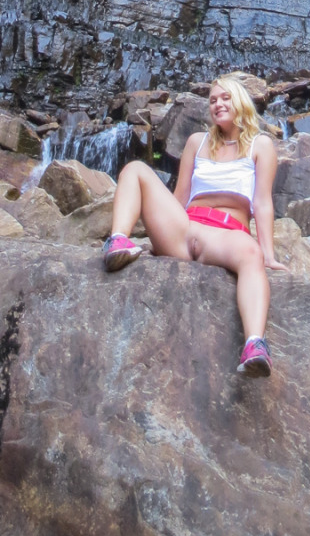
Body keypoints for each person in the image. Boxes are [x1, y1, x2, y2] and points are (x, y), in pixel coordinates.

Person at [101, 75, 286, 376]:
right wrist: (159, 236)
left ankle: (254, 344)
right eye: (213, 100)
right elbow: (179, 198)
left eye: (225, 98)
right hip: (186, 229)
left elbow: (262, 203)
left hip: (226, 237)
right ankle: (118, 240)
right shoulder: (196, 142)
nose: (218, 104)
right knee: (135, 168)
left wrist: (269, 254)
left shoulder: (260, 145)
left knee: (251, 256)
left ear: (240, 101)